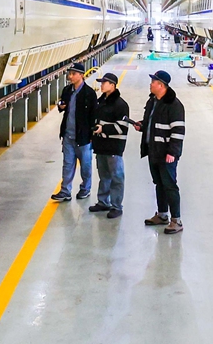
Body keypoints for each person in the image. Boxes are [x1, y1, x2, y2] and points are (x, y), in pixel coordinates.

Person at [132, 70, 186, 234]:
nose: (151, 84)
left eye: (153, 82)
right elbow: (151, 123)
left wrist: (172, 152)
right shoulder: (153, 101)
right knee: (159, 184)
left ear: (161, 85)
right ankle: (162, 215)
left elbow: (178, 132)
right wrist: (142, 125)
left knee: (170, 185)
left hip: (166, 153)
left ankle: (176, 220)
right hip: (153, 150)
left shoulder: (174, 105)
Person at [52, 62, 96, 202]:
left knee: (86, 166)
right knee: (68, 165)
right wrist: (61, 106)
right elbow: (62, 105)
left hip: (83, 137)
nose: (70, 76)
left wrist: (91, 135)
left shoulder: (89, 93)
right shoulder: (67, 90)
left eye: (73, 74)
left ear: (81, 75)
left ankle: (85, 189)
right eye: (69, 74)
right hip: (68, 135)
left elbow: (93, 115)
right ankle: (65, 191)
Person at [89, 72, 129, 218]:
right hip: (101, 146)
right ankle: (103, 202)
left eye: (104, 83)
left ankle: (116, 206)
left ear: (112, 85)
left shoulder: (121, 105)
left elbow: (122, 127)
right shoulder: (101, 102)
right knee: (104, 175)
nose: (101, 85)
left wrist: (103, 129)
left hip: (113, 147)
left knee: (116, 177)